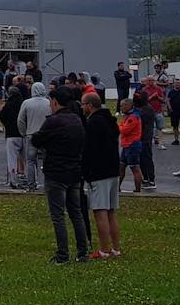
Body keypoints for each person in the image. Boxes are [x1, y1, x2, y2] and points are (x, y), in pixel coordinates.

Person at [32, 87, 89, 264]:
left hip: (56, 172)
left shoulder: (54, 121)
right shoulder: (76, 119)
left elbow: (36, 139)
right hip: (74, 171)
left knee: (58, 215)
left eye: (50, 101)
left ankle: (63, 255)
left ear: (55, 101)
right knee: (76, 213)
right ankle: (82, 252)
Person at [83, 91, 121, 259]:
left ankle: (104, 250)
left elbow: (89, 149)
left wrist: (86, 171)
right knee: (111, 211)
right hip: (113, 169)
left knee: (100, 211)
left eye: (83, 104)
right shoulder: (110, 120)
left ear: (90, 105)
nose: (82, 107)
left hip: (99, 172)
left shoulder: (93, 123)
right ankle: (116, 248)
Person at [18, 82, 52, 189]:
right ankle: (47, 184)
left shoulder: (26, 103)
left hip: (31, 134)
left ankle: (31, 184)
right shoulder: (48, 103)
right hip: (46, 136)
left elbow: (21, 120)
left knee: (30, 161)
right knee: (47, 161)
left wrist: (23, 132)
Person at [0, 87, 27, 188]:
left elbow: (2, 116)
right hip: (24, 134)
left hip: (11, 134)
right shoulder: (24, 104)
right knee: (27, 159)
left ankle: (13, 180)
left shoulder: (7, 105)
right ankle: (29, 178)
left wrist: (7, 125)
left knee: (12, 159)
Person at [118, 98, 143, 193]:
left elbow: (124, 130)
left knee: (134, 167)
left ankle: (137, 189)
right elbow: (121, 126)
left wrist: (120, 127)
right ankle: (117, 187)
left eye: (122, 105)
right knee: (121, 167)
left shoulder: (133, 117)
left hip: (132, 145)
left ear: (128, 106)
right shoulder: (127, 116)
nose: (121, 107)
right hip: (126, 145)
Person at [135, 92, 157, 189]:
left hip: (145, 137)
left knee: (147, 158)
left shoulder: (147, 109)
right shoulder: (142, 109)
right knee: (141, 159)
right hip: (141, 137)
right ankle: (145, 177)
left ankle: (151, 179)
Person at [168, 79, 180, 146]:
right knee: (175, 126)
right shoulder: (171, 92)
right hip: (174, 111)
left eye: (178, 83)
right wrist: (169, 108)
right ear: (174, 84)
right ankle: (176, 139)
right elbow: (168, 100)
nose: (177, 84)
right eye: (176, 83)